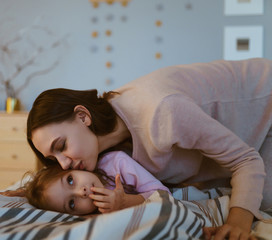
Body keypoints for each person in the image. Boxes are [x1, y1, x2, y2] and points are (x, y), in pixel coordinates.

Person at [27, 58, 272, 240]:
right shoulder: (99, 157)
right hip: (239, 143)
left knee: (261, 201)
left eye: (61, 146)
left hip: (264, 107)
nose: (64, 164)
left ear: (83, 117)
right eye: (53, 159)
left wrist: (238, 224)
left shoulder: (163, 111)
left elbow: (245, 161)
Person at [23, 151, 171, 215]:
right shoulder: (93, 215)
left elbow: (164, 194)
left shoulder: (117, 163)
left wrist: (125, 202)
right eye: (72, 204)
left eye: (70, 180)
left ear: (70, 168)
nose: (82, 192)